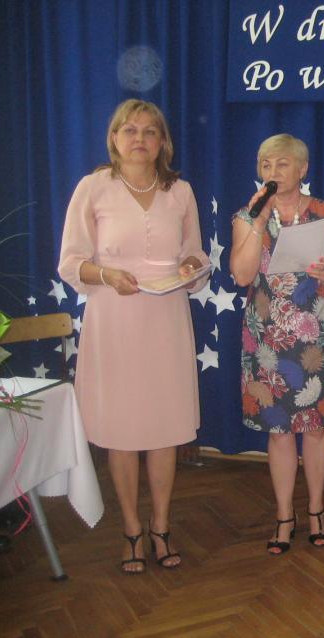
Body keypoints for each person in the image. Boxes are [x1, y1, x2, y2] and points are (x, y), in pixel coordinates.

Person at [58, 99, 210, 573]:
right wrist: (107, 275)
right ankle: (130, 530)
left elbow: (197, 257)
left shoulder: (180, 191)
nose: (139, 138)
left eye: (149, 131)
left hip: (166, 321)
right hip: (114, 321)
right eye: (130, 130)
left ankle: (161, 527)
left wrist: (191, 266)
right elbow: (70, 262)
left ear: (163, 141)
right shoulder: (93, 187)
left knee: (165, 428)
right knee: (121, 432)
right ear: (114, 138)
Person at [230, 133, 324, 554]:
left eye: (282, 164)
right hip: (267, 338)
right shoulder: (247, 216)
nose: (273, 172)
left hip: (317, 334)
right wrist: (258, 223)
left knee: (315, 428)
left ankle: (317, 509)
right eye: (266, 164)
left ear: (302, 169)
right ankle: (285, 515)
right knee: (279, 432)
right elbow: (242, 276)